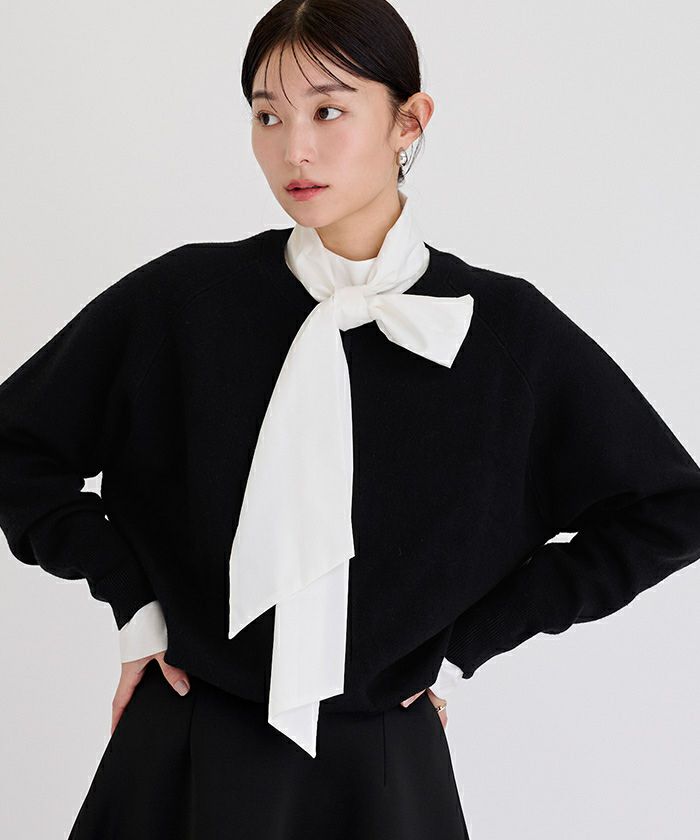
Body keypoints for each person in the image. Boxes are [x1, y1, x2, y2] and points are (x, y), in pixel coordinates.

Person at [1, 1, 699, 837]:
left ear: (409, 121)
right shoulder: (183, 302)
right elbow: (17, 446)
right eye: (268, 116)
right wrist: (135, 607)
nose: (293, 149)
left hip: (384, 772)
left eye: (328, 111)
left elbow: (670, 507)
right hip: (183, 748)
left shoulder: (501, 332)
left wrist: (463, 646)